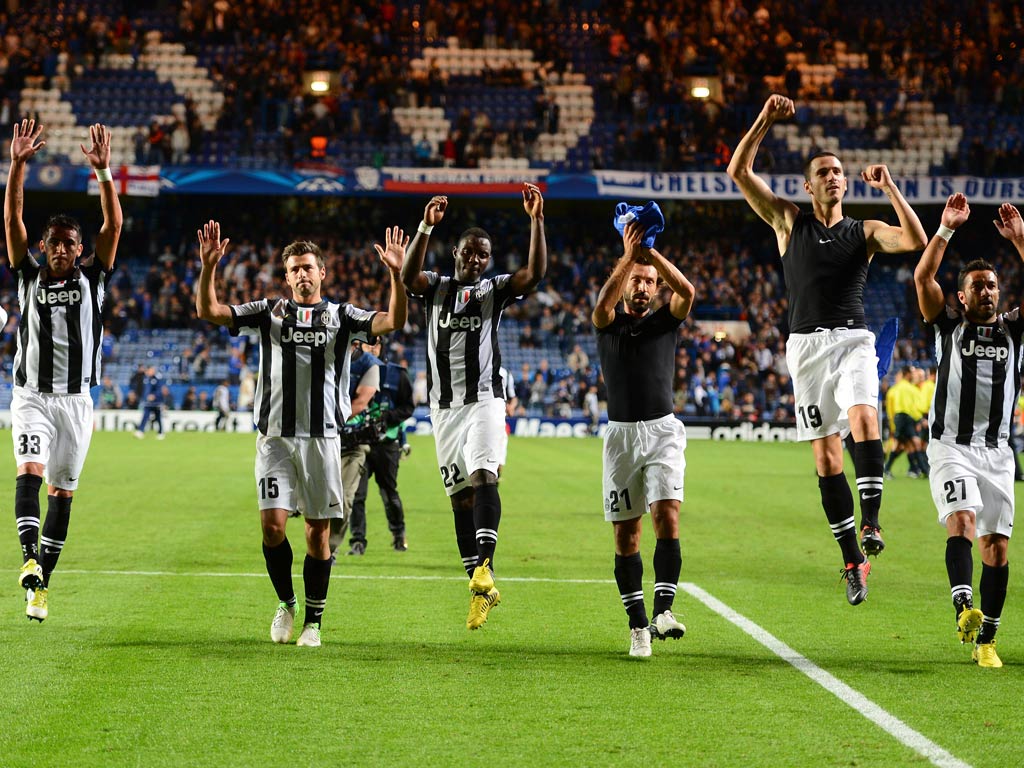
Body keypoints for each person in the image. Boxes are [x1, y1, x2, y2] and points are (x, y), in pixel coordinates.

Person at [727, 94, 927, 606]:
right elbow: (739, 170)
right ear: (808, 185)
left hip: (854, 338)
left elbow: (915, 239)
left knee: (863, 417)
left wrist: (890, 189)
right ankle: (851, 562)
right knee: (825, 455)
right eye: (825, 172)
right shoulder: (789, 221)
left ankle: (874, 525)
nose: (835, 177)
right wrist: (766, 119)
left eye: (839, 171)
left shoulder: (864, 231)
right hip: (806, 348)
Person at [195, 220, 407, 648]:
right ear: (286, 276)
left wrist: (396, 274)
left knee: (317, 534)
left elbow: (393, 322)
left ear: (322, 273)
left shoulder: (343, 317)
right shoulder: (267, 312)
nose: (302, 274)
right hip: (274, 438)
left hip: (322, 439)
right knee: (273, 527)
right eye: (294, 269)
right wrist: (208, 269)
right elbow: (209, 312)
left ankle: (314, 621)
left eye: (308, 267)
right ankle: (287, 604)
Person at [401, 185, 546, 630]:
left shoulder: (494, 291)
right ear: (456, 254)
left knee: (485, 474)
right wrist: (425, 226)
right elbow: (408, 278)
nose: (476, 260)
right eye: (469, 253)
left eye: (483, 254)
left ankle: (484, 565)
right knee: (460, 502)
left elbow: (533, 275)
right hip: (443, 411)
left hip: (485, 400)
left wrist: (536, 221)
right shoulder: (436, 288)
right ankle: (480, 588)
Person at [5, 120, 122, 622]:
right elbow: (12, 220)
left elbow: (113, 227)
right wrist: (17, 166)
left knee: (63, 492)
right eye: (51, 241)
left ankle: (40, 587)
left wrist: (104, 174)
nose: (57, 248)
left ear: (79, 249)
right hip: (32, 396)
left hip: (77, 402)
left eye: (67, 242)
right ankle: (29, 560)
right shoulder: (27, 273)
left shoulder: (95, 277)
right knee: (29, 473)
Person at [913, 194, 1024, 669]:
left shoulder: (1015, 332)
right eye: (978, 286)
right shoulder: (947, 327)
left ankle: (987, 640)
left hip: (998, 453)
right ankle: (964, 611)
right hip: (951, 448)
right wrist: (945, 229)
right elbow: (923, 277)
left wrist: (1020, 240)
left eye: (992, 286)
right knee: (962, 520)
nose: (986, 292)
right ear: (962, 296)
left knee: (996, 549)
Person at [592, 219, 696, 658]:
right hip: (620, 438)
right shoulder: (607, 321)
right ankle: (638, 627)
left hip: (662, 431)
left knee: (667, 516)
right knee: (626, 536)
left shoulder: (664, 323)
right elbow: (602, 302)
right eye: (637, 279)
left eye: (649, 282)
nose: (643, 286)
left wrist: (649, 255)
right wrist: (628, 255)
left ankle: (664, 611)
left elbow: (687, 293)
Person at [348, 338, 415, 553]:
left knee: (389, 492)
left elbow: (408, 407)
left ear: (382, 347)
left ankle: (398, 534)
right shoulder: (351, 372)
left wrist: (388, 417)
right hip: (360, 441)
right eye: (366, 344)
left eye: (375, 344)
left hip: (387, 444)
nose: (371, 348)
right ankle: (357, 541)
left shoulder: (398, 374)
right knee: (356, 494)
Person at [332, 339, 382, 556]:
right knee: (318, 499)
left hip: (353, 441)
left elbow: (361, 401)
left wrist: (329, 421)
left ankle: (328, 550)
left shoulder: (369, 363)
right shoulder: (325, 352)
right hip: (322, 440)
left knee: (344, 500)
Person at [883, 366, 926, 478]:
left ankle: (916, 469)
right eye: (911, 373)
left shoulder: (895, 389)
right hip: (906, 419)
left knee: (907, 445)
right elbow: (913, 407)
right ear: (907, 374)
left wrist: (892, 424)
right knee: (909, 444)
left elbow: (890, 409)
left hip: (898, 419)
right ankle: (923, 470)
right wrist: (920, 420)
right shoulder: (910, 389)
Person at [135, 365, 165, 439]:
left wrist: (154, 395)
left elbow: (159, 390)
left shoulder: (157, 379)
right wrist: (144, 397)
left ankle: (161, 432)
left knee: (158, 418)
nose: (152, 371)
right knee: (145, 416)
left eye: (153, 370)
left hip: (156, 402)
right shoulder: (145, 379)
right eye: (151, 370)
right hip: (147, 402)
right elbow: (144, 390)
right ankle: (140, 431)